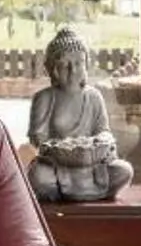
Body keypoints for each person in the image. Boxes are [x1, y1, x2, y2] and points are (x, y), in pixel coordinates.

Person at [26, 28, 133, 202]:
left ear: (86, 65)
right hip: (58, 165)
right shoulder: (45, 97)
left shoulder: (93, 96)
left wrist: (99, 143)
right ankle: (59, 198)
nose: (73, 69)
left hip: (91, 165)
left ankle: (89, 192)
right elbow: (37, 138)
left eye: (78, 63)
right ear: (53, 69)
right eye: (65, 65)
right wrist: (56, 146)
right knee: (38, 176)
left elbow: (103, 131)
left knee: (124, 170)